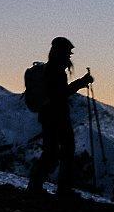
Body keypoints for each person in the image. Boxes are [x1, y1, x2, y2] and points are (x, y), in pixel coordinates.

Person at [27, 36, 93, 198]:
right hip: (56, 117)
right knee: (63, 152)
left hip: (50, 116)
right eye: (68, 51)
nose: (70, 55)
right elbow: (60, 94)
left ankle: (38, 185)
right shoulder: (55, 71)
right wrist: (80, 83)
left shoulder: (53, 69)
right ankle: (60, 190)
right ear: (61, 52)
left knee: (53, 152)